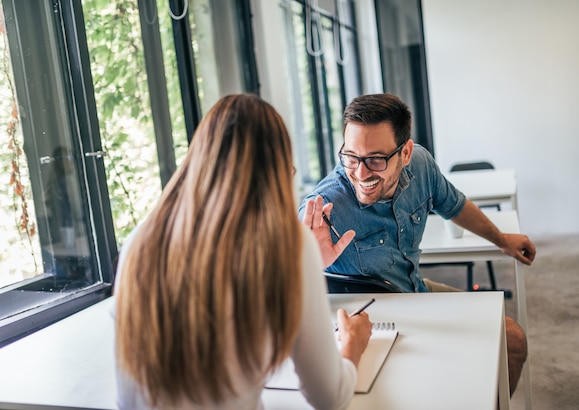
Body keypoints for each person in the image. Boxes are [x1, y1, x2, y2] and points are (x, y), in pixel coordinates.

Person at [114, 94, 372, 409]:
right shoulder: (287, 242)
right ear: (276, 172)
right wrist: (352, 345)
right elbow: (329, 397)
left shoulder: (139, 242)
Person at [299, 93, 536, 395]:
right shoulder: (324, 206)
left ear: (406, 152)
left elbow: (454, 205)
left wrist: (502, 240)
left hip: (414, 292)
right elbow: (273, 283)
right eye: (351, 156)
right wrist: (307, 264)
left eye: (376, 159)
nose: (360, 172)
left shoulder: (421, 166)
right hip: (371, 322)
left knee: (511, 340)